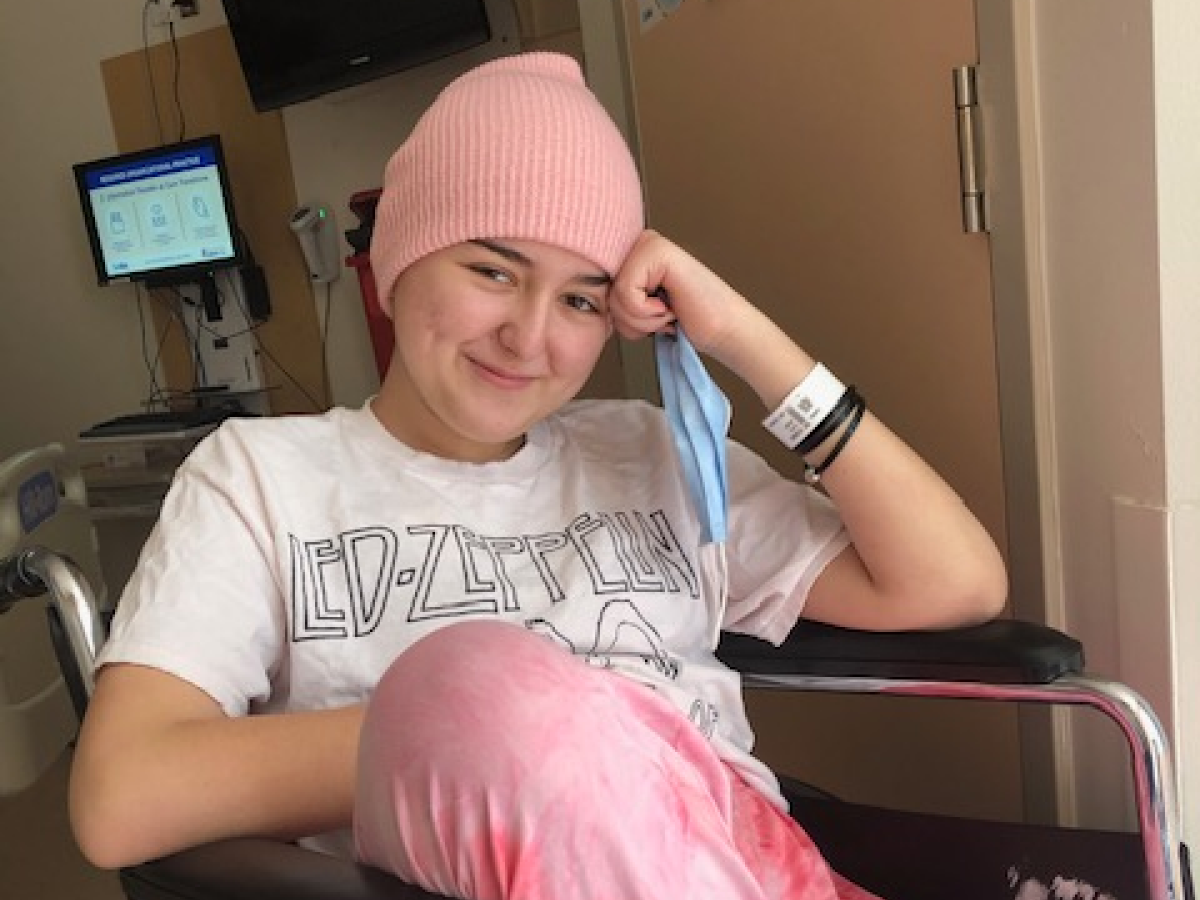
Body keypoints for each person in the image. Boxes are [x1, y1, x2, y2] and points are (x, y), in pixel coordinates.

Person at [69, 52, 1007, 900]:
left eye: (581, 299)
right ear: (398, 264)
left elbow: (954, 583)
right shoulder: (261, 477)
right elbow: (122, 796)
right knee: (480, 680)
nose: (530, 337)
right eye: (492, 270)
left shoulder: (649, 452)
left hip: (754, 868)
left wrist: (745, 340)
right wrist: (468, 739)